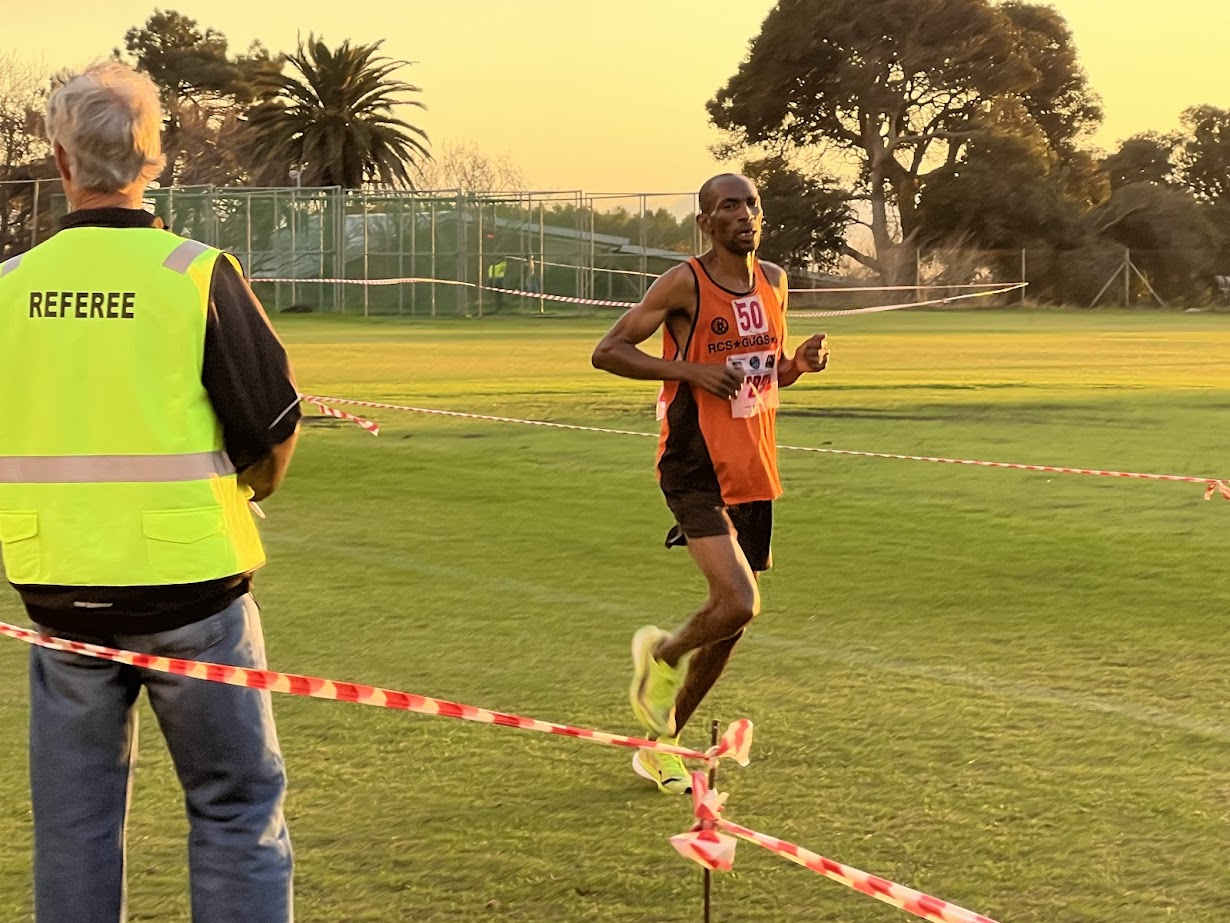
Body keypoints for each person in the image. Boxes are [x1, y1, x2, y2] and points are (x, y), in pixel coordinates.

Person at [0, 62, 300, 921]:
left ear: (60, 161)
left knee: (74, 826)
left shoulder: (10, 287)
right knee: (237, 810)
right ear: (155, 157)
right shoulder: (196, 273)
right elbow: (273, 428)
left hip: (60, 594)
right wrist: (252, 490)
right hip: (194, 587)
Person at [591, 173, 829, 794]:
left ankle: (661, 745)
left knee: (733, 621)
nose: (744, 214)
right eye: (729, 206)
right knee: (740, 600)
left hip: (753, 461)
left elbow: (764, 370)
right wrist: (690, 370)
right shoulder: (684, 283)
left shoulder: (775, 281)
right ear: (706, 223)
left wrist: (796, 366)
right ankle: (663, 657)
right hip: (694, 462)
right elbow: (609, 350)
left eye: (751, 203)